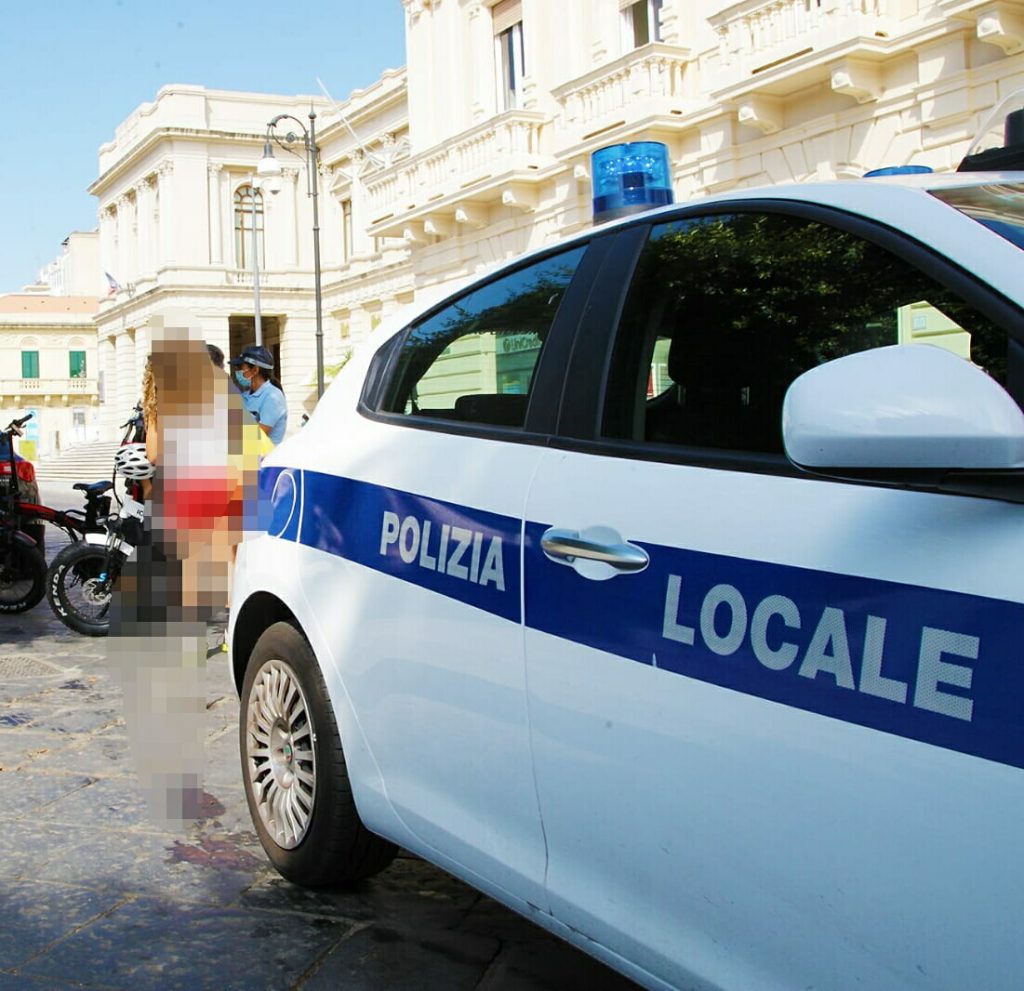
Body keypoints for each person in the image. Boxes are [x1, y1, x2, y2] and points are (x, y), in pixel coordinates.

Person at [229, 345, 288, 446]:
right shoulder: (245, 396)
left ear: (255, 370)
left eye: (240, 368)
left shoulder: (272, 397)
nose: (237, 372)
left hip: (267, 460)